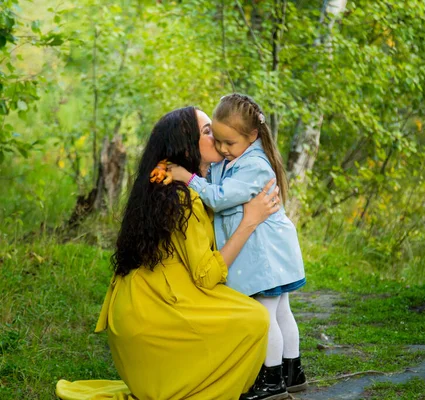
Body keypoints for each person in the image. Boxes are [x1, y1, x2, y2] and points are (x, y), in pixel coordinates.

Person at [56, 106, 281, 400]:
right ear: (186, 144)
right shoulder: (182, 197)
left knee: (240, 308)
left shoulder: (168, 184)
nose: (218, 137)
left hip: (139, 311)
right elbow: (206, 276)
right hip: (154, 316)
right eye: (207, 131)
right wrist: (250, 221)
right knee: (255, 319)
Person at [168, 94, 307, 400]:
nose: (221, 149)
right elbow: (217, 175)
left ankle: (272, 381)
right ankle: (292, 370)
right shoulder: (237, 157)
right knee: (281, 310)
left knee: (266, 314)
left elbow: (219, 197)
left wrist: (187, 178)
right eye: (216, 140)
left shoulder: (254, 165)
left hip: (265, 253)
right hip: (271, 250)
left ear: (252, 136)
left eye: (228, 143)